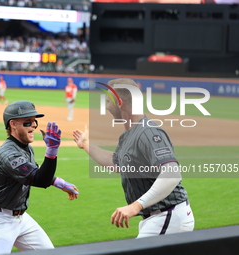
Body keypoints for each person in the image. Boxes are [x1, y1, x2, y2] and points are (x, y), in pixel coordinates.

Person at [73, 78, 194, 238]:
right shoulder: (130, 133)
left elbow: (172, 174)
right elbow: (116, 163)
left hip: (167, 216)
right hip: (157, 218)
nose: (107, 107)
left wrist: (136, 206)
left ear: (120, 102)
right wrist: (86, 145)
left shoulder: (149, 132)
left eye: (109, 102)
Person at [0, 100, 79, 255]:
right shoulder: (9, 153)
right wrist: (51, 151)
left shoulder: (25, 148)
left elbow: (35, 171)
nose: (34, 126)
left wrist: (59, 182)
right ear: (13, 124)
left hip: (21, 218)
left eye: (34, 122)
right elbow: (38, 180)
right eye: (27, 122)